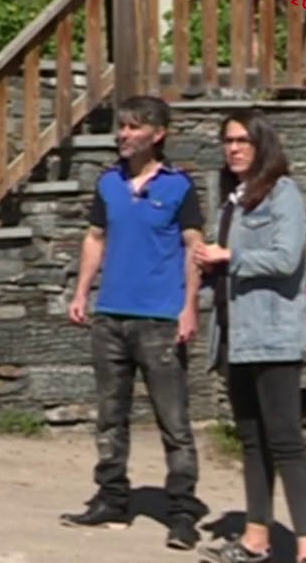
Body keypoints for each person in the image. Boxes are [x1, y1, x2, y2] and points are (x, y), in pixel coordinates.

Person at [61, 95, 208, 551]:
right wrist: (82, 291)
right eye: (120, 127)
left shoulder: (179, 186)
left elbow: (193, 247)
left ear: (157, 134)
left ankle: (182, 512)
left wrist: (189, 307)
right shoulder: (108, 183)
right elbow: (95, 237)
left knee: (174, 422)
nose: (123, 134)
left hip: (161, 321)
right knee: (110, 415)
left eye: (133, 127)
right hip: (111, 317)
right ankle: (112, 498)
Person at [196, 109, 306, 563]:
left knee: (285, 439)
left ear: (262, 144)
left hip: (273, 334)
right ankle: (255, 538)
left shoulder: (282, 194)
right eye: (228, 140)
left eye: (243, 140)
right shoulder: (234, 199)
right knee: (252, 440)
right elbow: (225, 264)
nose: (234, 148)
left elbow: (287, 259)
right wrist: (207, 266)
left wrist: (228, 255)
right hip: (234, 334)